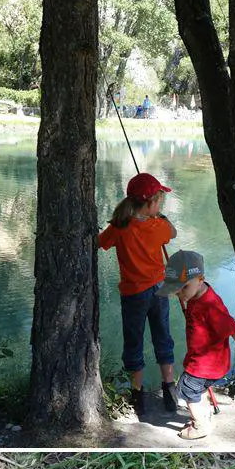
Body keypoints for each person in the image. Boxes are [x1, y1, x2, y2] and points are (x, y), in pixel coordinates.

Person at [98, 172, 178, 417]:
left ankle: (138, 395)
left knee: (134, 342)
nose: (161, 206)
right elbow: (173, 233)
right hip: (159, 290)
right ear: (151, 203)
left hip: (134, 294)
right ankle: (169, 390)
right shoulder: (158, 225)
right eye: (160, 202)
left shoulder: (119, 227)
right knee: (163, 337)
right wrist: (160, 217)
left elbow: (100, 242)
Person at [163, 249, 235, 440]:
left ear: (200, 279)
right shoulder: (195, 293)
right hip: (202, 359)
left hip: (206, 363)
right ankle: (204, 414)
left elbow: (234, 330)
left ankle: (200, 426)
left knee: (187, 388)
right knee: (195, 389)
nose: (180, 294)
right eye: (176, 289)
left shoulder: (211, 306)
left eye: (184, 287)